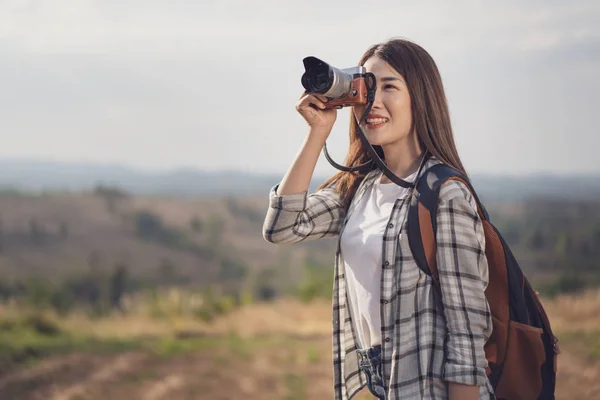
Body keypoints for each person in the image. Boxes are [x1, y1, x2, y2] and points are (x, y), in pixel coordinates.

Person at [262, 38, 494, 400]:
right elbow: (283, 227)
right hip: (386, 384)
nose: (374, 102)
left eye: (390, 86)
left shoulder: (443, 193)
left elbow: (467, 333)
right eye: (366, 87)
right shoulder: (362, 186)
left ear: (421, 96)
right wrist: (317, 133)